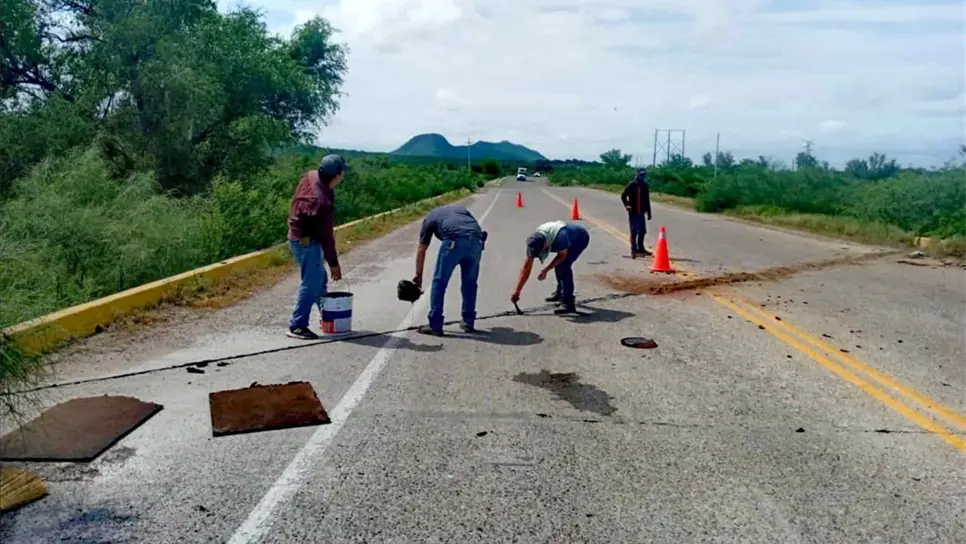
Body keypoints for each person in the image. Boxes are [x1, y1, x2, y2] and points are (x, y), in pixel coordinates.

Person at [285, 154, 348, 340]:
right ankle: (297, 325)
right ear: (336, 175)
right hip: (306, 242)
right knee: (311, 282)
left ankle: (327, 315)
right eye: (342, 173)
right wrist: (334, 263)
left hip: (298, 235)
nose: (343, 176)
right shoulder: (322, 204)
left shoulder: (311, 175)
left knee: (319, 279)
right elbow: (327, 238)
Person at [413, 205, 487, 336]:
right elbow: (474, 226)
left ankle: (435, 324)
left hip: (454, 240)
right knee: (470, 284)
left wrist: (418, 276)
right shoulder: (461, 210)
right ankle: (468, 322)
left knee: (439, 282)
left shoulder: (429, 219)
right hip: (476, 241)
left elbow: (421, 249)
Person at [511, 221, 590, 315]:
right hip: (563, 235)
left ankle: (568, 303)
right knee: (559, 265)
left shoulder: (560, 237)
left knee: (563, 265)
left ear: (545, 245)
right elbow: (526, 269)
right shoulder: (533, 242)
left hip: (579, 237)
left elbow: (562, 256)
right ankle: (560, 293)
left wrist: (546, 270)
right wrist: (517, 292)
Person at [621, 168, 653, 258]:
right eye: (640, 175)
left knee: (642, 231)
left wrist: (649, 212)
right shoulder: (632, 185)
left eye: (644, 175)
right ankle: (633, 250)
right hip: (633, 212)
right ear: (636, 175)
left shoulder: (645, 186)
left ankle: (641, 248)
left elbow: (647, 200)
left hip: (641, 212)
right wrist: (627, 205)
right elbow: (623, 196)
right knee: (634, 231)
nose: (642, 177)